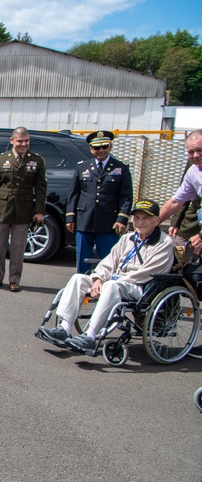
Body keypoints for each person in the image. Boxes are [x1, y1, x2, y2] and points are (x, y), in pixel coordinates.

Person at [37, 199, 174, 353]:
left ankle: (90, 335)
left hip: (140, 286)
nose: (140, 222)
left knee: (111, 285)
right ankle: (64, 328)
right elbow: (109, 262)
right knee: (78, 279)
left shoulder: (164, 242)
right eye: (137, 218)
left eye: (145, 218)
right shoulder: (128, 238)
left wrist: (112, 281)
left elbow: (148, 272)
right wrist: (98, 279)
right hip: (114, 282)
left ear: (156, 221)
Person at [0, 127, 46, 292]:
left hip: (23, 209)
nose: (24, 144)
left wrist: (39, 211)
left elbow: (40, 188)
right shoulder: (1, 159)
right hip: (1, 208)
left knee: (18, 247)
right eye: (20, 141)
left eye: (27, 141)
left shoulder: (37, 160)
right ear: (12, 141)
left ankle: (14, 280)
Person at [65, 130, 134, 274]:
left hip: (109, 222)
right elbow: (74, 193)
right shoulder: (82, 167)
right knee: (83, 259)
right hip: (84, 221)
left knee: (108, 259)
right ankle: (82, 285)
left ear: (110, 147)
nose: (101, 150)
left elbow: (126, 196)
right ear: (91, 149)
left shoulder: (121, 168)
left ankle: (105, 287)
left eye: (104, 146)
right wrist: (70, 217)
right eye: (97, 148)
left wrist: (122, 219)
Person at [159, 129, 202, 256]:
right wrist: (152, 222)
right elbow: (175, 201)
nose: (195, 156)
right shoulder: (193, 171)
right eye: (191, 152)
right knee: (179, 253)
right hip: (195, 220)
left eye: (200, 150)